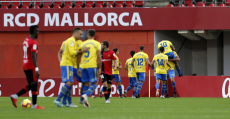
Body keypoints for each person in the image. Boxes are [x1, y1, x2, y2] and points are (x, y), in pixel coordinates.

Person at [10, 25, 45, 109]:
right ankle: (34, 105)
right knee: (34, 84)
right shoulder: (33, 42)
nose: (38, 33)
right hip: (31, 65)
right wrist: (36, 69)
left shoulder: (26, 40)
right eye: (37, 31)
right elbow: (33, 56)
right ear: (34, 32)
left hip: (25, 65)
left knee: (31, 84)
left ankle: (15, 96)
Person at [54, 27, 89, 107]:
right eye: (80, 34)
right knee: (69, 82)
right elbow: (71, 53)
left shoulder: (79, 42)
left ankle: (66, 102)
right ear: (75, 33)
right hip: (67, 64)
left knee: (70, 83)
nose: (81, 36)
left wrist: (77, 67)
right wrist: (61, 61)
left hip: (73, 65)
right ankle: (58, 99)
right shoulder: (70, 41)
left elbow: (78, 55)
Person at [77, 29, 102, 107]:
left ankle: (82, 101)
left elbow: (78, 55)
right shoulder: (97, 44)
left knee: (85, 83)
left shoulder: (83, 44)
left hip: (83, 65)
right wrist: (99, 68)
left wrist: (78, 67)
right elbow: (99, 56)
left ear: (88, 35)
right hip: (91, 66)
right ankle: (86, 95)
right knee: (95, 83)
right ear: (94, 35)